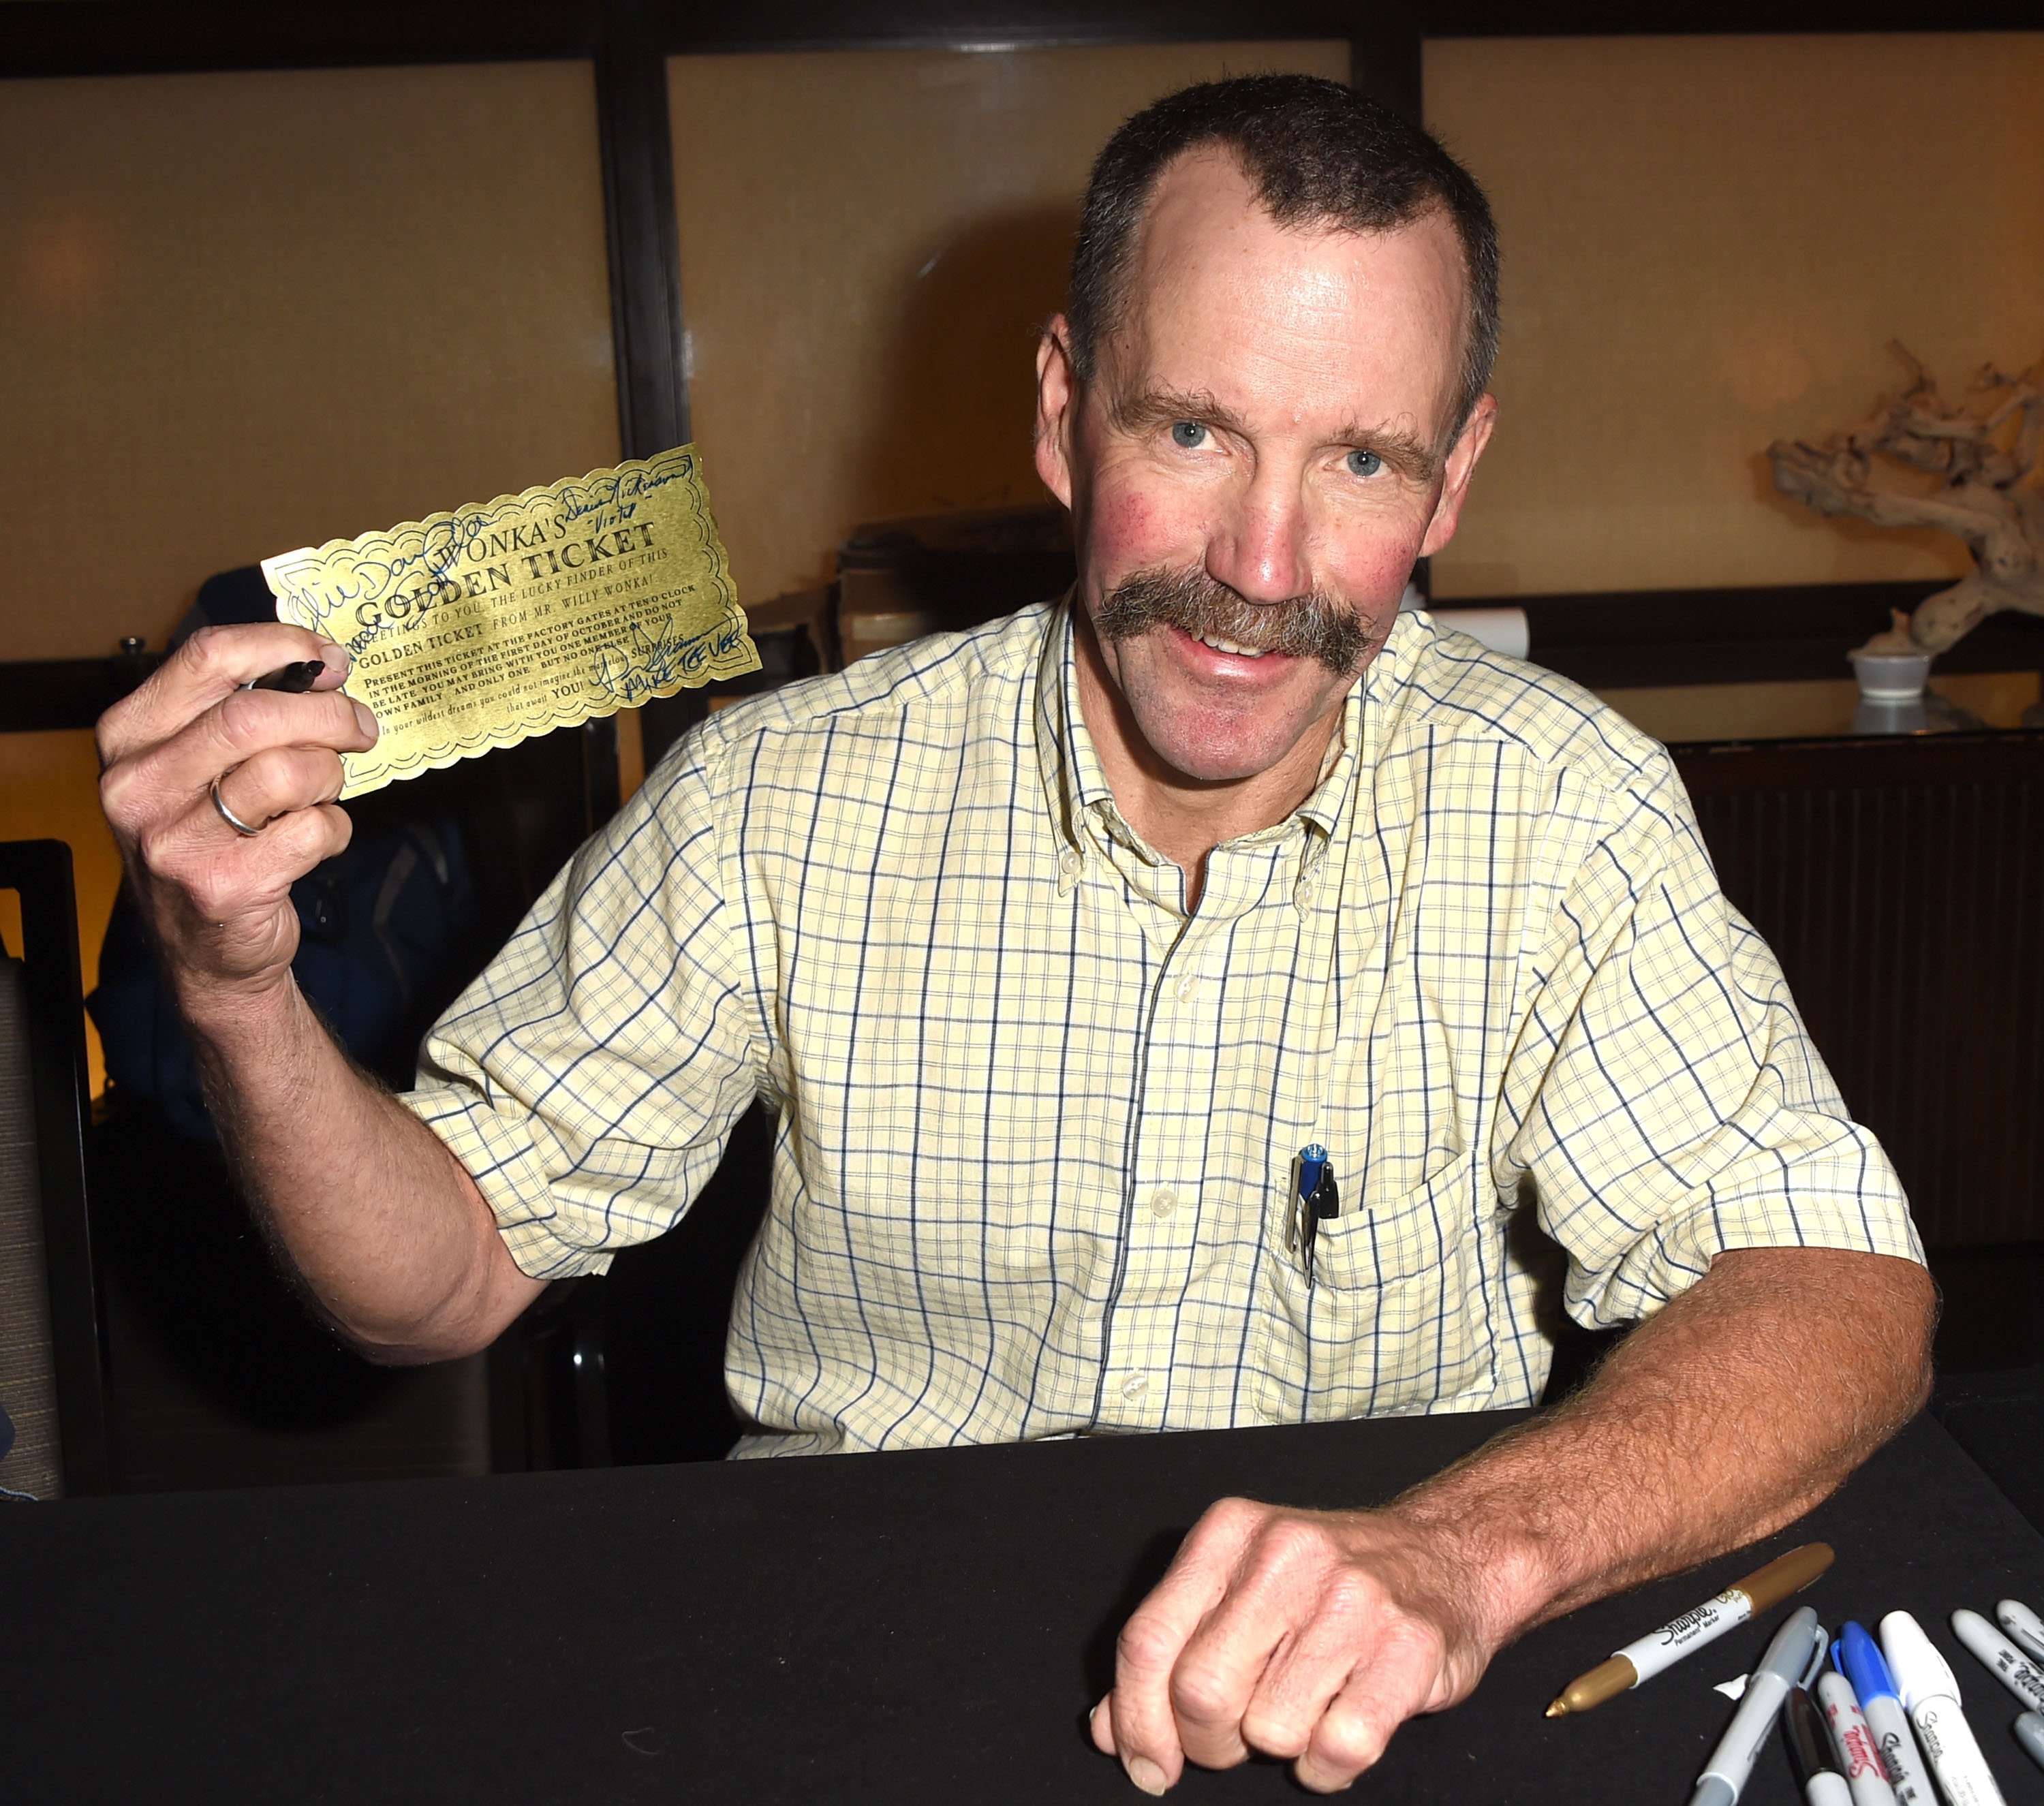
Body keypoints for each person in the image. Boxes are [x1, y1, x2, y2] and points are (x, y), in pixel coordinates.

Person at [99, 75, 1931, 1796]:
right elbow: (434, 1281)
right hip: (835, 1677)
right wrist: (238, 991)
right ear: (1065, 411)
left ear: (1453, 481)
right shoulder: (775, 794)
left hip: (1366, 1696)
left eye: (1362, 462)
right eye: (1193, 428)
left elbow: (1840, 1291)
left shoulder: (1562, 804)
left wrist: (1461, 1551)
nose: (1267, 563)